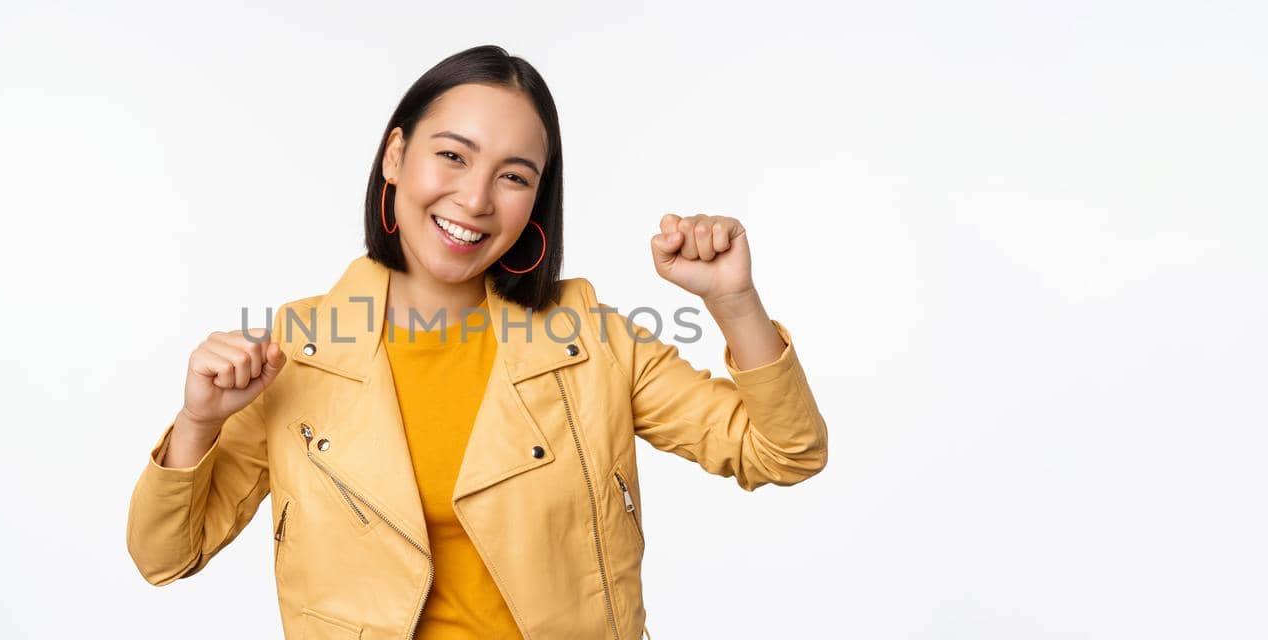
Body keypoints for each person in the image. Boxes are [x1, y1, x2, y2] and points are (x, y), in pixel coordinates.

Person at [126, 44, 829, 640]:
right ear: (396, 155)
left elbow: (786, 453)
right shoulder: (297, 349)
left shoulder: (592, 340)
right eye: (453, 156)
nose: (476, 199)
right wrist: (199, 424)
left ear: (536, 201)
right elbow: (164, 557)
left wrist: (733, 302)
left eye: (514, 176)